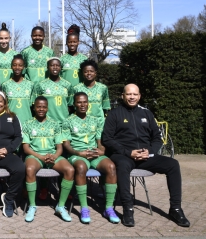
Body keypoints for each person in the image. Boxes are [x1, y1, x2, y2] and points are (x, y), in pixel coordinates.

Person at [102, 84, 190, 227]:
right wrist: (128, 152)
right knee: (122, 166)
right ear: (122, 96)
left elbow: (157, 138)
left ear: (139, 96)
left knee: (173, 165)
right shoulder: (114, 114)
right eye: (128, 94)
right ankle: (128, 209)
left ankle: (175, 208)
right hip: (124, 155)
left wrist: (149, 151)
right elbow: (107, 139)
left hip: (145, 155)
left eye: (135, 94)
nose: (132, 97)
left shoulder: (147, 113)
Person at [62, 92, 119, 224]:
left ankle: (109, 208)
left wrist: (101, 150)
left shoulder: (96, 120)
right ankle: (84, 207)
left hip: (94, 154)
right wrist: (78, 153)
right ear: (74, 104)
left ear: (89, 103)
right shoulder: (68, 121)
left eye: (85, 102)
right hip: (77, 155)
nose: (82, 105)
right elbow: (66, 144)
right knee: (81, 167)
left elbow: (100, 141)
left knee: (111, 167)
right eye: (79, 102)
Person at [22, 96, 75, 223]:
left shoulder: (55, 124)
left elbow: (59, 147)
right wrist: (40, 157)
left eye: (44, 107)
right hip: (36, 156)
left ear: (47, 108)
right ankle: (32, 206)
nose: (41, 109)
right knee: (29, 169)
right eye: (38, 106)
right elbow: (26, 148)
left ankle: (61, 206)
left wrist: (55, 156)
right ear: (34, 107)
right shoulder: (27, 124)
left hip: (52, 156)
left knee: (70, 170)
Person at [33, 57, 73, 123]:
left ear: (61, 68)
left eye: (57, 65)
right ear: (47, 68)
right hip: (47, 123)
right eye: (52, 65)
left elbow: (70, 105)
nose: (55, 67)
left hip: (63, 122)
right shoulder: (40, 85)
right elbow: (35, 106)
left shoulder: (68, 85)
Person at [72, 60, 110, 124]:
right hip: (81, 123)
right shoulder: (76, 88)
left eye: (91, 71)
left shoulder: (103, 88)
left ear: (95, 73)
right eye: (86, 72)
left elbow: (106, 107)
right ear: (82, 73)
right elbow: (73, 108)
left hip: (99, 123)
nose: (89, 73)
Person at [1, 54, 35, 122]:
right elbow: (3, 106)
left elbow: (33, 106)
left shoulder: (30, 85)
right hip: (10, 121)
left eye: (20, 65)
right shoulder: (5, 85)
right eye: (14, 65)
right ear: (11, 67)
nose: (17, 67)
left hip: (27, 122)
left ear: (24, 67)